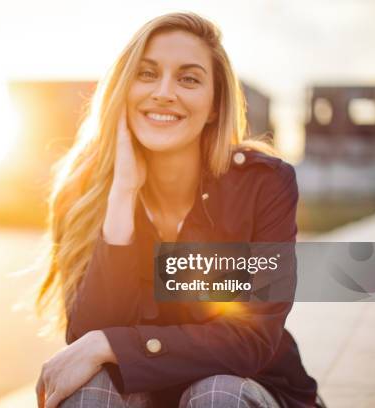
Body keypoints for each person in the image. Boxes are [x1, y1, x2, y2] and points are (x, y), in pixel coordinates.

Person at [34, 12, 319, 408]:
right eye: (147, 74)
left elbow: (249, 338)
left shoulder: (263, 183)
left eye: (188, 78)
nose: (164, 92)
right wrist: (122, 194)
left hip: (248, 388)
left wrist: (108, 343)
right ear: (122, 89)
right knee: (87, 390)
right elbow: (86, 335)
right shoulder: (82, 191)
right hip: (139, 391)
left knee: (216, 393)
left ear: (216, 106)